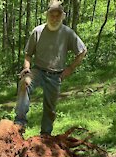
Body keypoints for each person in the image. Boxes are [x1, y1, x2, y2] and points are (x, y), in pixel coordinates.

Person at [14, 0, 87, 135]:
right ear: (47, 15)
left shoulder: (67, 32)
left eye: (57, 15)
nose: (54, 18)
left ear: (62, 16)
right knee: (25, 83)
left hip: (56, 75)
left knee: (50, 108)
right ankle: (19, 124)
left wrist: (70, 69)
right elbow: (28, 53)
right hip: (38, 70)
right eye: (51, 15)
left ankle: (45, 136)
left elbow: (82, 51)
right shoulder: (38, 31)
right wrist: (26, 68)